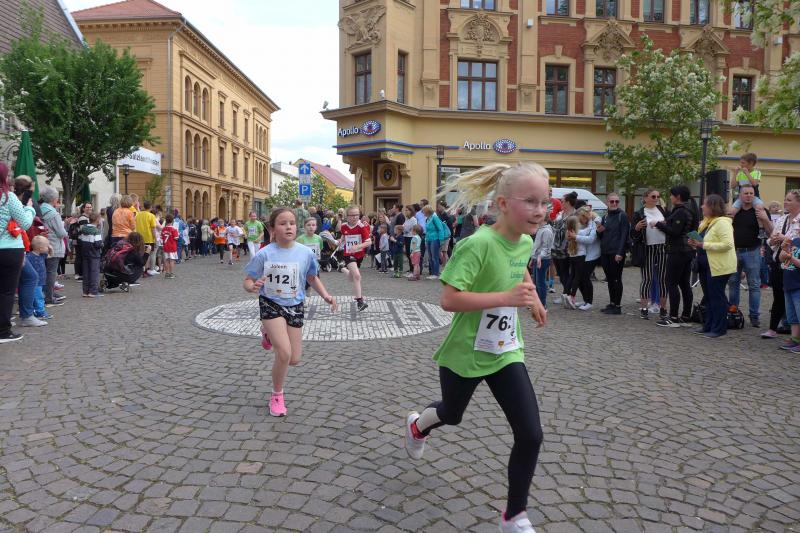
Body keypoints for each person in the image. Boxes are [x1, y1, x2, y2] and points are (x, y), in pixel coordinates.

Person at [403, 163, 547, 533]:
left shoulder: (525, 240)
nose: (540, 210)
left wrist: (532, 297)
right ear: (503, 203)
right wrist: (506, 297)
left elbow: (519, 266)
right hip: (465, 352)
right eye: (530, 201)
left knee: (530, 433)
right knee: (451, 414)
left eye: (544, 202)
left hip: (505, 350)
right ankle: (418, 426)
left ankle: (514, 516)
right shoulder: (477, 244)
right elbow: (449, 300)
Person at [243, 207, 337, 417]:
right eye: (283, 223)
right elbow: (248, 280)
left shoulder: (305, 253)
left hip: (295, 305)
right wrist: (252, 287)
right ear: (272, 229)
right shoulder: (264, 253)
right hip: (270, 304)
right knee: (283, 353)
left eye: (292, 223)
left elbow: (312, 277)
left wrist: (326, 296)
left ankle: (268, 335)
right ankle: (277, 395)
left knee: (294, 359)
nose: (288, 227)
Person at [688, 194, 737, 338]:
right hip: (705, 264)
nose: (702, 206)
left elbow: (728, 244)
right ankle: (708, 325)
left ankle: (719, 328)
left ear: (712, 207)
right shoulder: (707, 223)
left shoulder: (722, 223)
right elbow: (705, 243)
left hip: (718, 266)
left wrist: (703, 244)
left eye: (704, 204)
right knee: (709, 297)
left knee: (717, 297)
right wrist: (696, 244)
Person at [726, 184, 773, 328]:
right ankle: (733, 313)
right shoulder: (734, 211)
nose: (749, 196)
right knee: (733, 282)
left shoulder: (760, 211)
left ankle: (754, 316)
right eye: (746, 193)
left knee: (754, 284)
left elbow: (770, 232)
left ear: (755, 195)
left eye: (751, 193)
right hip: (734, 251)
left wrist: (765, 219)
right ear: (740, 195)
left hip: (752, 251)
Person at [654, 185, 699, 327]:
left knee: (671, 283)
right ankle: (685, 316)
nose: (670, 197)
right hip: (687, 251)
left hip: (678, 251)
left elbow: (675, 232)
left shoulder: (681, 211)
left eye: (672, 195)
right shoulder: (690, 209)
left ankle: (673, 317)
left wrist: (658, 225)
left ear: (678, 196)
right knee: (684, 283)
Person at [0, 162, 36, 342]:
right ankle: (3, 331)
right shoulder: (8, 197)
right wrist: (29, 207)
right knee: (6, 292)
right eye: (7, 175)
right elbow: (25, 223)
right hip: (8, 249)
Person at [763, 190, 800, 339]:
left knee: (794, 298)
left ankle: (792, 332)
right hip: (778, 261)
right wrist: (772, 240)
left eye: (789, 200)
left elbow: (797, 242)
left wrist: (784, 238)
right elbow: (770, 240)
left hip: (794, 264)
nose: (785, 202)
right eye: (785, 199)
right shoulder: (782, 219)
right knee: (778, 295)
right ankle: (773, 329)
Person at [631, 189, 668, 320]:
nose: (656, 198)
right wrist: (636, 228)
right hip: (647, 248)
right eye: (653, 196)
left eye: (658, 196)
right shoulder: (639, 213)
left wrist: (665, 224)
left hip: (662, 246)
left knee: (663, 278)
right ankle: (644, 308)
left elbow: (669, 227)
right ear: (645, 198)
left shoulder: (663, 210)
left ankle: (663, 308)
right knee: (647, 278)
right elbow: (633, 234)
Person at [597, 192, 630, 315]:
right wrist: (599, 232)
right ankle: (612, 303)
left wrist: (620, 252)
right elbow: (601, 236)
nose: (614, 203)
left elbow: (624, 235)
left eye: (617, 201)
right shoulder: (605, 217)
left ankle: (617, 306)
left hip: (616, 253)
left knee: (616, 279)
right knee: (610, 279)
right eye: (612, 201)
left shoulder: (622, 215)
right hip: (606, 252)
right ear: (607, 202)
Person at [39, 186, 69, 307]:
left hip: (42, 244)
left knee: (44, 272)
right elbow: (61, 233)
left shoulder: (40, 209)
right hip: (53, 247)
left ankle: (47, 293)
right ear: (53, 199)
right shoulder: (53, 214)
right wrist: (65, 230)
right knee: (51, 273)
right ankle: (49, 298)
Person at [340, 205, 371, 311]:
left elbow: (369, 242)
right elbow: (344, 235)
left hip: (359, 255)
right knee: (357, 276)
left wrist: (358, 246)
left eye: (357, 215)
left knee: (352, 277)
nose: (355, 217)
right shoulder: (343, 226)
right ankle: (360, 301)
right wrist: (341, 240)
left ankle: (342, 269)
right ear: (347, 216)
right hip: (348, 254)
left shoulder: (362, 227)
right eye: (352, 215)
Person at [551, 191, 577, 306]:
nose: (560, 203)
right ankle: (565, 294)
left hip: (567, 248)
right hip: (556, 247)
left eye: (562, 201)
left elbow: (575, 232)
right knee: (561, 273)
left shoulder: (575, 215)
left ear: (568, 202)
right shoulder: (560, 214)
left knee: (565, 272)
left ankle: (567, 294)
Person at [79, 212, 104, 298]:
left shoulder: (84, 229)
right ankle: (93, 291)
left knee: (86, 272)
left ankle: (85, 291)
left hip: (85, 254)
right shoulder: (96, 231)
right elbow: (98, 244)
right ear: (97, 220)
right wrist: (102, 244)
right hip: (94, 254)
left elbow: (81, 240)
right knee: (94, 273)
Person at [27, 236, 52, 320]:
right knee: (39, 297)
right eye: (47, 246)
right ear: (40, 248)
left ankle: (36, 311)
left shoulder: (42, 255)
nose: (48, 247)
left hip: (41, 281)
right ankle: (40, 312)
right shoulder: (29, 257)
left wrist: (50, 249)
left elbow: (50, 255)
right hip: (35, 282)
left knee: (37, 297)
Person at [531, 219, 554, 309]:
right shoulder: (540, 229)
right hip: (537, 258)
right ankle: (537, 302)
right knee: (536, 282)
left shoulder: (546, 231)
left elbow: (546, 248)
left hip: (543, 260)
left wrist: (539, 257)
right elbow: (537, 245)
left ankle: (542, 304)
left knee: (540, 283)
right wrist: (533, 258)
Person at [135, 200, 160, 277]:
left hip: (139, 238)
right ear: (151, 207)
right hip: (149, 238)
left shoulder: (138, 215)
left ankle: (140, 270)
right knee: (148, 254)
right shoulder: (151, 216)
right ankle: (146, 270)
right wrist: (155, 239)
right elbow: (153, 229)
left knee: (141, 254)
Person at [423, 205, 448, 280]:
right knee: (430, 257)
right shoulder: (428, 219)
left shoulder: (435, 218)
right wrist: (426, 239)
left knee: (435, 257)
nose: (423, 212)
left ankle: (436, 274)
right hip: (429, 239)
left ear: (427, 211)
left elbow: (440, 229)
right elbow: (427, 231)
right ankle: (433, 273)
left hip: (435, 239)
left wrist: (441, 240)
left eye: (424, 211)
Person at [70, 201, 93, 280]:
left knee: (81, 256)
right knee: (80, 257)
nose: (89, 208)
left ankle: (80, 273)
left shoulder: (87, 217)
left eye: (90, 207)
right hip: (81, 240)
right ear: (83, 208)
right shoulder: (83, 218)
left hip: (83, 239)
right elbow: (84, 230)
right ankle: (78, 274)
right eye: (87, 207)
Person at [161, 214, 179, 279]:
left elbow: (161, 238)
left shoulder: (163, 229)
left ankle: (167, 273)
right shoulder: (174, 229)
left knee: (166, 260)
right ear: (172, 221)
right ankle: (171, 273)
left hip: (165, 246)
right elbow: (176, 238)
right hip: (172, 247)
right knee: (172, 260)